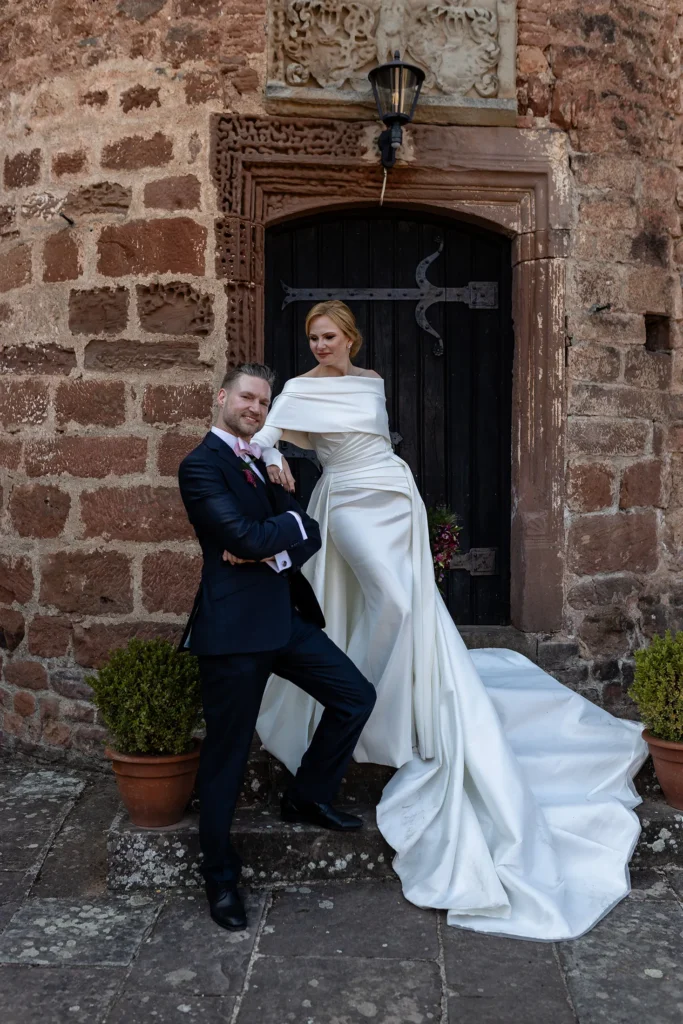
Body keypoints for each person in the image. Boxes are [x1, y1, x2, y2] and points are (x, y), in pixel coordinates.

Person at [248, 300, 649, 941]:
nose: (321, 345)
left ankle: (388, 704)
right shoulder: (297, 388)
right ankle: (359, 703)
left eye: (329, 336)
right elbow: (270, 435)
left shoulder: (373, 381)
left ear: (349, 337)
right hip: (349, 501)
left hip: (394, 495)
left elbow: (376, 438)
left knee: (408, 606)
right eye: (313, 338)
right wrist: (270, 458)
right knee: (394, 603)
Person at [178, 362, 376, 932]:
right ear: (222, 397)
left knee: (354, 696)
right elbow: (239, 536)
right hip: (233, 634)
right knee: (227, 759)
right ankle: (219, 878)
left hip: (282, 619)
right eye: (247, 398)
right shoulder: (201, 466)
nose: (256, 409)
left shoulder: (264, 463)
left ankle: (305, 796)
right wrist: (266, 536)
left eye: (264, 404)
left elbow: (307, 528)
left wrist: (271, 543)